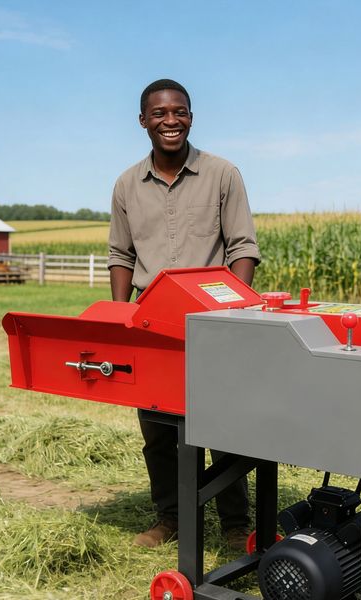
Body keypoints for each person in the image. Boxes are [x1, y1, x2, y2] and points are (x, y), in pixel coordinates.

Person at [107, 79, 261, 550]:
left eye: (180, 112)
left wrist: (230, 309)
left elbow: (243, 247)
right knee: (158, 431)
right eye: (159, 113)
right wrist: (119, 319)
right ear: (143, 121)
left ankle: (236, 525)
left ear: (191, 116)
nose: (170, 121)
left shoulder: (222, 174)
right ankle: (169, 517)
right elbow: (121, 254)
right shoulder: (126, 185)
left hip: (212, 321)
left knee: (223, 426)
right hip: (151, 324)